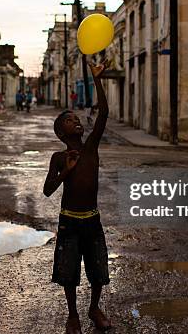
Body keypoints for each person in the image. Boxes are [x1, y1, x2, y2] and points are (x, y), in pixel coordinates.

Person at [43, 62, 112, 334]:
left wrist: (97, 80)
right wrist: (65, 173)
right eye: (70, 120)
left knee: (98, 269)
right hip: (69, 221)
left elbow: (104, 113)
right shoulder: (59, 158)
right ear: (62, 133)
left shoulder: (91, 148)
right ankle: (72, 316)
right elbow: (48, 190)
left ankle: (94, 308)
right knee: (68, 271)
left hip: (92, 219)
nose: (77, 121)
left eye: (77, 118)